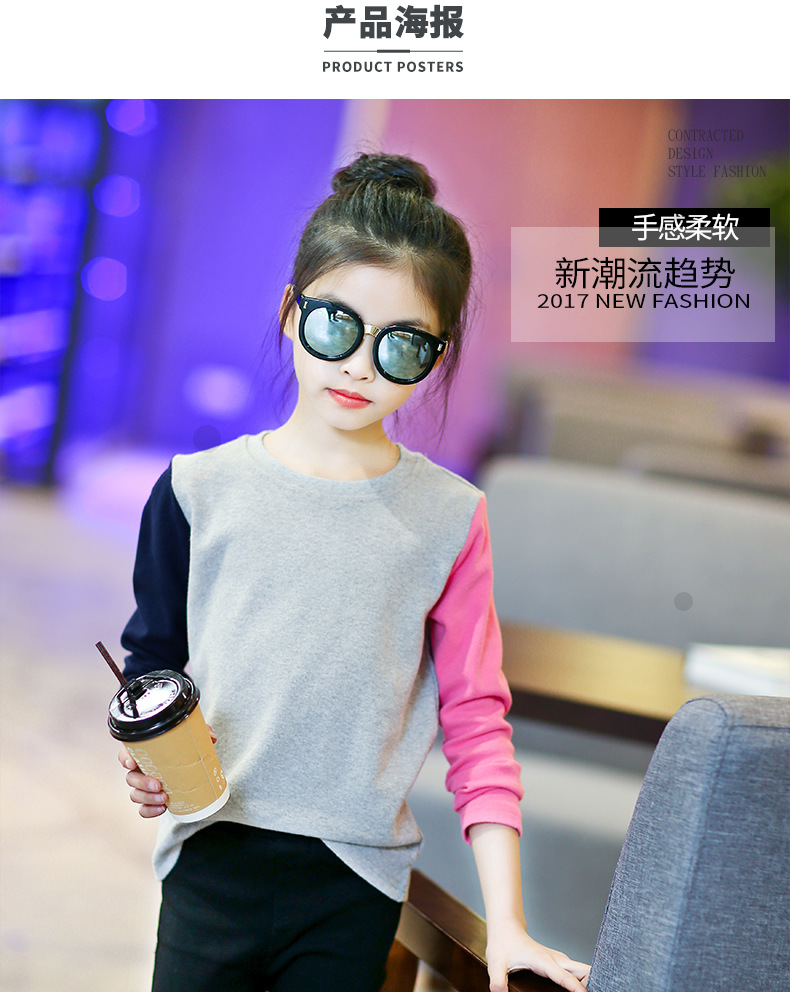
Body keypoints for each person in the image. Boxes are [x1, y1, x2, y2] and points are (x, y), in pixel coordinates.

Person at [118, 152, 590, 992]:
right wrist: (151, 760)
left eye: (401, 344)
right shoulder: (195, 490)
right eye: (337, 324)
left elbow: (477, 725)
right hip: (209, 861)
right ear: (290, 312)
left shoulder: (451, 518)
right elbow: (154, 662)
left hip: (354, 883)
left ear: (437, 356)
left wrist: (509, 926)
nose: (361, 365)